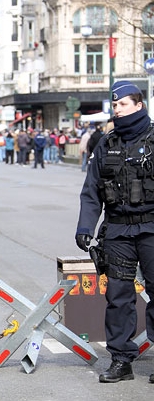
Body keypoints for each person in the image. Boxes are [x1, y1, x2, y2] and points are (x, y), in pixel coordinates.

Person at [75, 80, 154, 384]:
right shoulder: (106, 143)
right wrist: (85, 227)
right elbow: (91, 192)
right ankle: (121, 360)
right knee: (118, 297)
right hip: (119, 230)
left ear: (138, 105)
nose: (117, 110)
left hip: (150, 228)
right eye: (115, 105)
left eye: (122, 104)